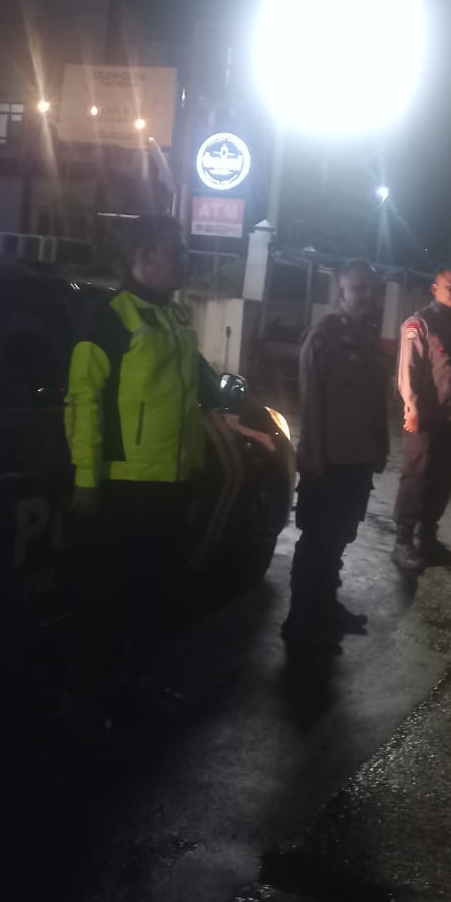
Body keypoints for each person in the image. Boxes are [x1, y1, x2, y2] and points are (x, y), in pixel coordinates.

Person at [63, 214, 262, 729]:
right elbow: (83, 401)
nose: (184, 260)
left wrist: (226, 400)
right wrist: (86, 477)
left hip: (172, 485)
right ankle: (87, 700)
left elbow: (200, 385)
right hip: (125, 486)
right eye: (175, 251)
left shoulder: (174, 318)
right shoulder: (110, 317)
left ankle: (140, 685)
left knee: (156, 596)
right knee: (110, 600)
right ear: (142, 257)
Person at [283, 259, 389, 648]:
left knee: (340, 538)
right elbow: (310, 402)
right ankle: (300, 618)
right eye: (358, 289)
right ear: (341, 291)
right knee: (317, 541)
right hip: (327, 463)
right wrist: (313, 459)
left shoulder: (369, 340)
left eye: (371, 289)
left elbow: (376, 404)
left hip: (358, 462)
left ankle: (325, 606)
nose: (367, 296)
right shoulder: (324, 336)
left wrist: (380, 448)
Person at [393, 264, 451, 574]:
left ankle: (428, 539)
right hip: (425, 416)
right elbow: (408, 368)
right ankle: (403, 541)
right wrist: (411, 406)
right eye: (450, 286)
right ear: (434, 289)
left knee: (445, 477)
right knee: (417, 476)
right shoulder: (420, 322)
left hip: (450, 416)